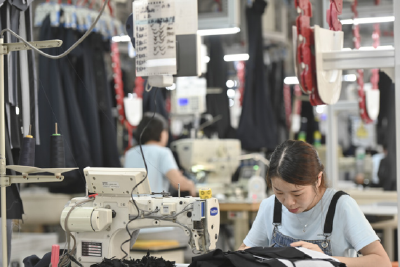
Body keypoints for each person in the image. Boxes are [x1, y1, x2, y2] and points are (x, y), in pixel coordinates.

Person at [238, 140, 391, 267]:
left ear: (318, 180)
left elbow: (381, 261)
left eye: (297, 193)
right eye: (278, 192)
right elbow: (242, 254)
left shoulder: (341, 206)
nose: (288, 202)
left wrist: (326, 261)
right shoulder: (270, 206)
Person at [124, 112, 196, 197]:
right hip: (155, 208)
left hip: (132, 207)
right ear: (162, 134)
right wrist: (191, 185)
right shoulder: (163, 152)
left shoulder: (130, 153)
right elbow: (178, 183)